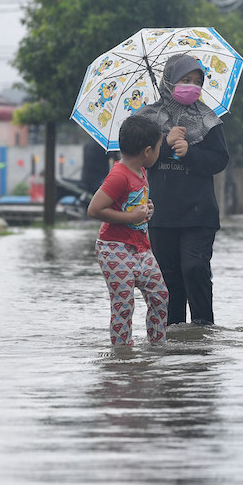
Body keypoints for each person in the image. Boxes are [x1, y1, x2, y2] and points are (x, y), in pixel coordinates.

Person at [137, 53, 229, 326]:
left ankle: (202, 331)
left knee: (195, 268)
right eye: (184, 80)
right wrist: (164, 144)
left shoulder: (210, 120)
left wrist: (189, 152)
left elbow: (219, 160)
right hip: (161, 215)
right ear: (168, 81)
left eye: (197, 81)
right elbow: (138, 158)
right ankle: (173, 337)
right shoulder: (146, 119)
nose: (191, 86)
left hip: (198, 215)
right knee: (168, 280)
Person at [87, 115, 167, 346]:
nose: (160, 152)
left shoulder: (141, 171)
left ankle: (157, 345)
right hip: (113, 247)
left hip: (140, 247)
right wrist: (131, 216)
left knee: (160, 295)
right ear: (148, 151)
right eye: (160, 147)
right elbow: (94, 209)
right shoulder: (118, 175)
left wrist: (146, 209)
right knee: (124, 303)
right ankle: (122, 354)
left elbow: (131, 204)